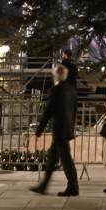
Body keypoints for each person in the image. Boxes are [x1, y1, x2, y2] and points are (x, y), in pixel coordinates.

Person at [30, 63, 79, 196]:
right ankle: (44, 185)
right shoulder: (72, 90)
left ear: (55, 76)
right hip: (67, 128)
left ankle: (73, 186)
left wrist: (39, 129)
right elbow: (74, 111)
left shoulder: (56, 90)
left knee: (66, 159)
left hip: (59, 129)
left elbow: (48, 111)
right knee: (53, 158)